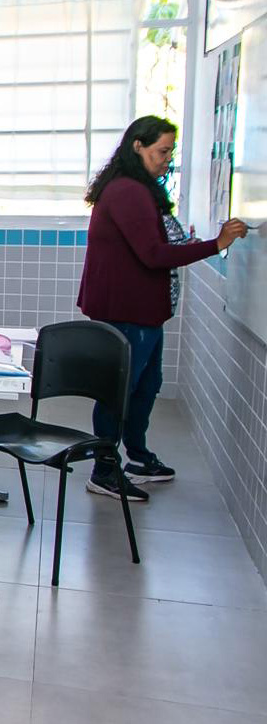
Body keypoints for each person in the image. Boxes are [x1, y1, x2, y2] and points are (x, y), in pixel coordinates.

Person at [79, 115, 248, 501]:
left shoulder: (137, 187)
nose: (168, 159)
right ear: (137, 146)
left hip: (141, 309)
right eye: (162, 151)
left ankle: (136, 457)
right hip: (126, 309)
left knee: (145, 386)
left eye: (170, 152)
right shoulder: (127, 191)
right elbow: (154, 254)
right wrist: (216, 244)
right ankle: (104, 470)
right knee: (119, 391)